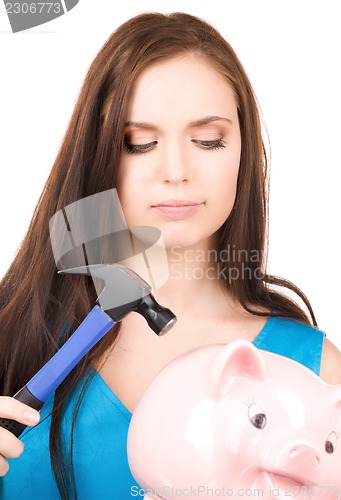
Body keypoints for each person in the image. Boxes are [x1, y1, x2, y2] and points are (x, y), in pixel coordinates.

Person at [1, 11, 340, 500]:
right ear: (99, 152)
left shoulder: (316, 373)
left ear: (243, 153)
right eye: (140, 143)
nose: (176, 170)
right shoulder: (13, 334)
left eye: (208, 140)